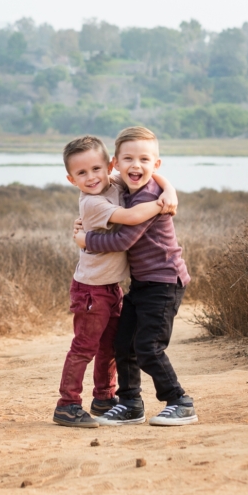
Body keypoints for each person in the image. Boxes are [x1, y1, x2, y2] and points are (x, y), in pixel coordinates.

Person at [74, 127, 197, 426]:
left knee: (148, 347)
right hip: (142, 283)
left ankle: (180, 401)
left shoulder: (151, 199)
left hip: (165, 281)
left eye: (144, 159)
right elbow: (107, 181)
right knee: (123, 341)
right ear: (115, 163)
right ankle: (130, 403)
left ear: (156, 164)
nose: (136, 165)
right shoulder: (127, 188)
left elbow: (121, 241)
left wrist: (85, 240)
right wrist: (170, 186)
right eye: (128, 158)